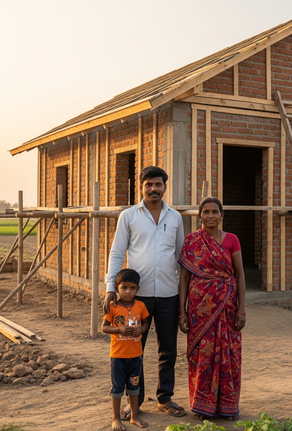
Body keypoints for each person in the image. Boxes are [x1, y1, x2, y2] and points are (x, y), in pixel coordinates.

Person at [104, 166, 186, 418]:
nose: (153, 189)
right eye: (148, 184)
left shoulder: (175, 218)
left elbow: (181, 256)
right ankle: (133, 401)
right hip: (136, 299)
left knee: (168, 350)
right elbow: (117, 253)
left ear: (164, 186)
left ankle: (165, 398)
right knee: (134, 349)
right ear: (141, 187)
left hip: (169, 295)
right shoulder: (129, 216)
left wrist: (185, 296)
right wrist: (110, 288)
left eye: (158, 184)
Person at [178, 197, 246, 420]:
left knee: (229, 354)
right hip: (200, 311)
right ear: (199, 216)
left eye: (214, 212)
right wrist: (183, 311)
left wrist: (242, 309)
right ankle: (202, 406)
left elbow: (239, 274)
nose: (210, 216)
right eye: (205, 212)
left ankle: (227, 406)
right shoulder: (192, 241)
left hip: (227, 308)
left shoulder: (232, 240)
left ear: (221, 215)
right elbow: (185, 278)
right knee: (202, 355)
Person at [102, 268, 150, 431]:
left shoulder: (141, 306)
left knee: (134, 387)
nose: (128, 292)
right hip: (118, 356)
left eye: (132, 288)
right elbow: (104, 328)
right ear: (117, 289)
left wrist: (141, 330)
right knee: (117, 388)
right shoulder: (113, 306)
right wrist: (119, 330)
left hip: (136, 356)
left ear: (138, 289)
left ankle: (134, 415)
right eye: (124, 288)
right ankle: (116, 418)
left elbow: (145, 323)